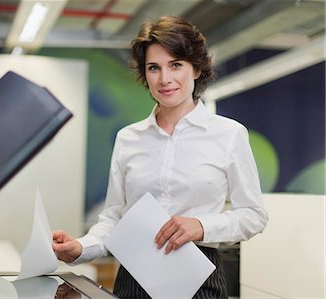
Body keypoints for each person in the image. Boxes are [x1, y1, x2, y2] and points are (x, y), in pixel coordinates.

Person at [52, 15, 269, 299]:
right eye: (154, 68)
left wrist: (202, 226)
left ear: (196, 70)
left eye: (176, 65)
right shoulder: (128, 137)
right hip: (133, 278)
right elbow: (115, 217)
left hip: (198, 277)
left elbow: (254, 216)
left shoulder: (229, 134)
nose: (164, 79)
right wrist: (81, 248)